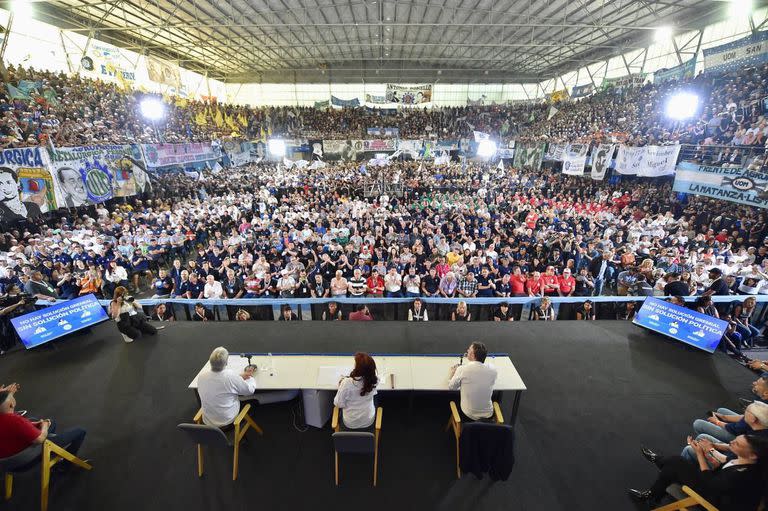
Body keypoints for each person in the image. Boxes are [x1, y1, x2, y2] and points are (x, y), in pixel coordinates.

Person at [628, 434, 768, 509]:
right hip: (718, 488)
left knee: (676, 463)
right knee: (673, 466)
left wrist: (701, 454)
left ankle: (656, 465)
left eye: (737, 444)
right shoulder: (748, 463)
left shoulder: (743, 474)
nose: (731, 443)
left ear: (753, 455)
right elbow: (724, 472)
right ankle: (652, 495)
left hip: (715, 502)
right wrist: (709, 455)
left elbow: (710, 484)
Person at [0, 387, 87, 461]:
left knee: (52, 423)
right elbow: (40, 439)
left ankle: (54, 451)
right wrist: (44, 425)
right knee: (80, 431)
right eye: (12, 396)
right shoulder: (16, 420)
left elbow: (13, 429)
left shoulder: (10, 418)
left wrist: (33, 424)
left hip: (4, 461)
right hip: (23, 459)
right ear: (11, 404)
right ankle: (65, 465)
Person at [197, 347, 257, 428]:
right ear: (226, 363)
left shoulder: (201, 376)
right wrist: (251, 378)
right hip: (228, 421)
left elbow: (219, 381)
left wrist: (239, 377)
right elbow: (249, 391)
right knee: (253, 403)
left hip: (208, 422)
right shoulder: (230, 376)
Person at [448, 342, 497, 421]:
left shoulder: (462, 369)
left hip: (468, 415)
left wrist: (452, 374)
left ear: (473, 355)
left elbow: (451, 387)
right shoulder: (493, 369)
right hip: (489, 415)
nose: (467, 350)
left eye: (469, 349)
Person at [333, 352, 378, 430]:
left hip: (350, 423)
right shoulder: (374, 380)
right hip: (368, 420)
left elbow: (338, 404)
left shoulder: (346, 383)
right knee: (376, 398)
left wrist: (342, 386)